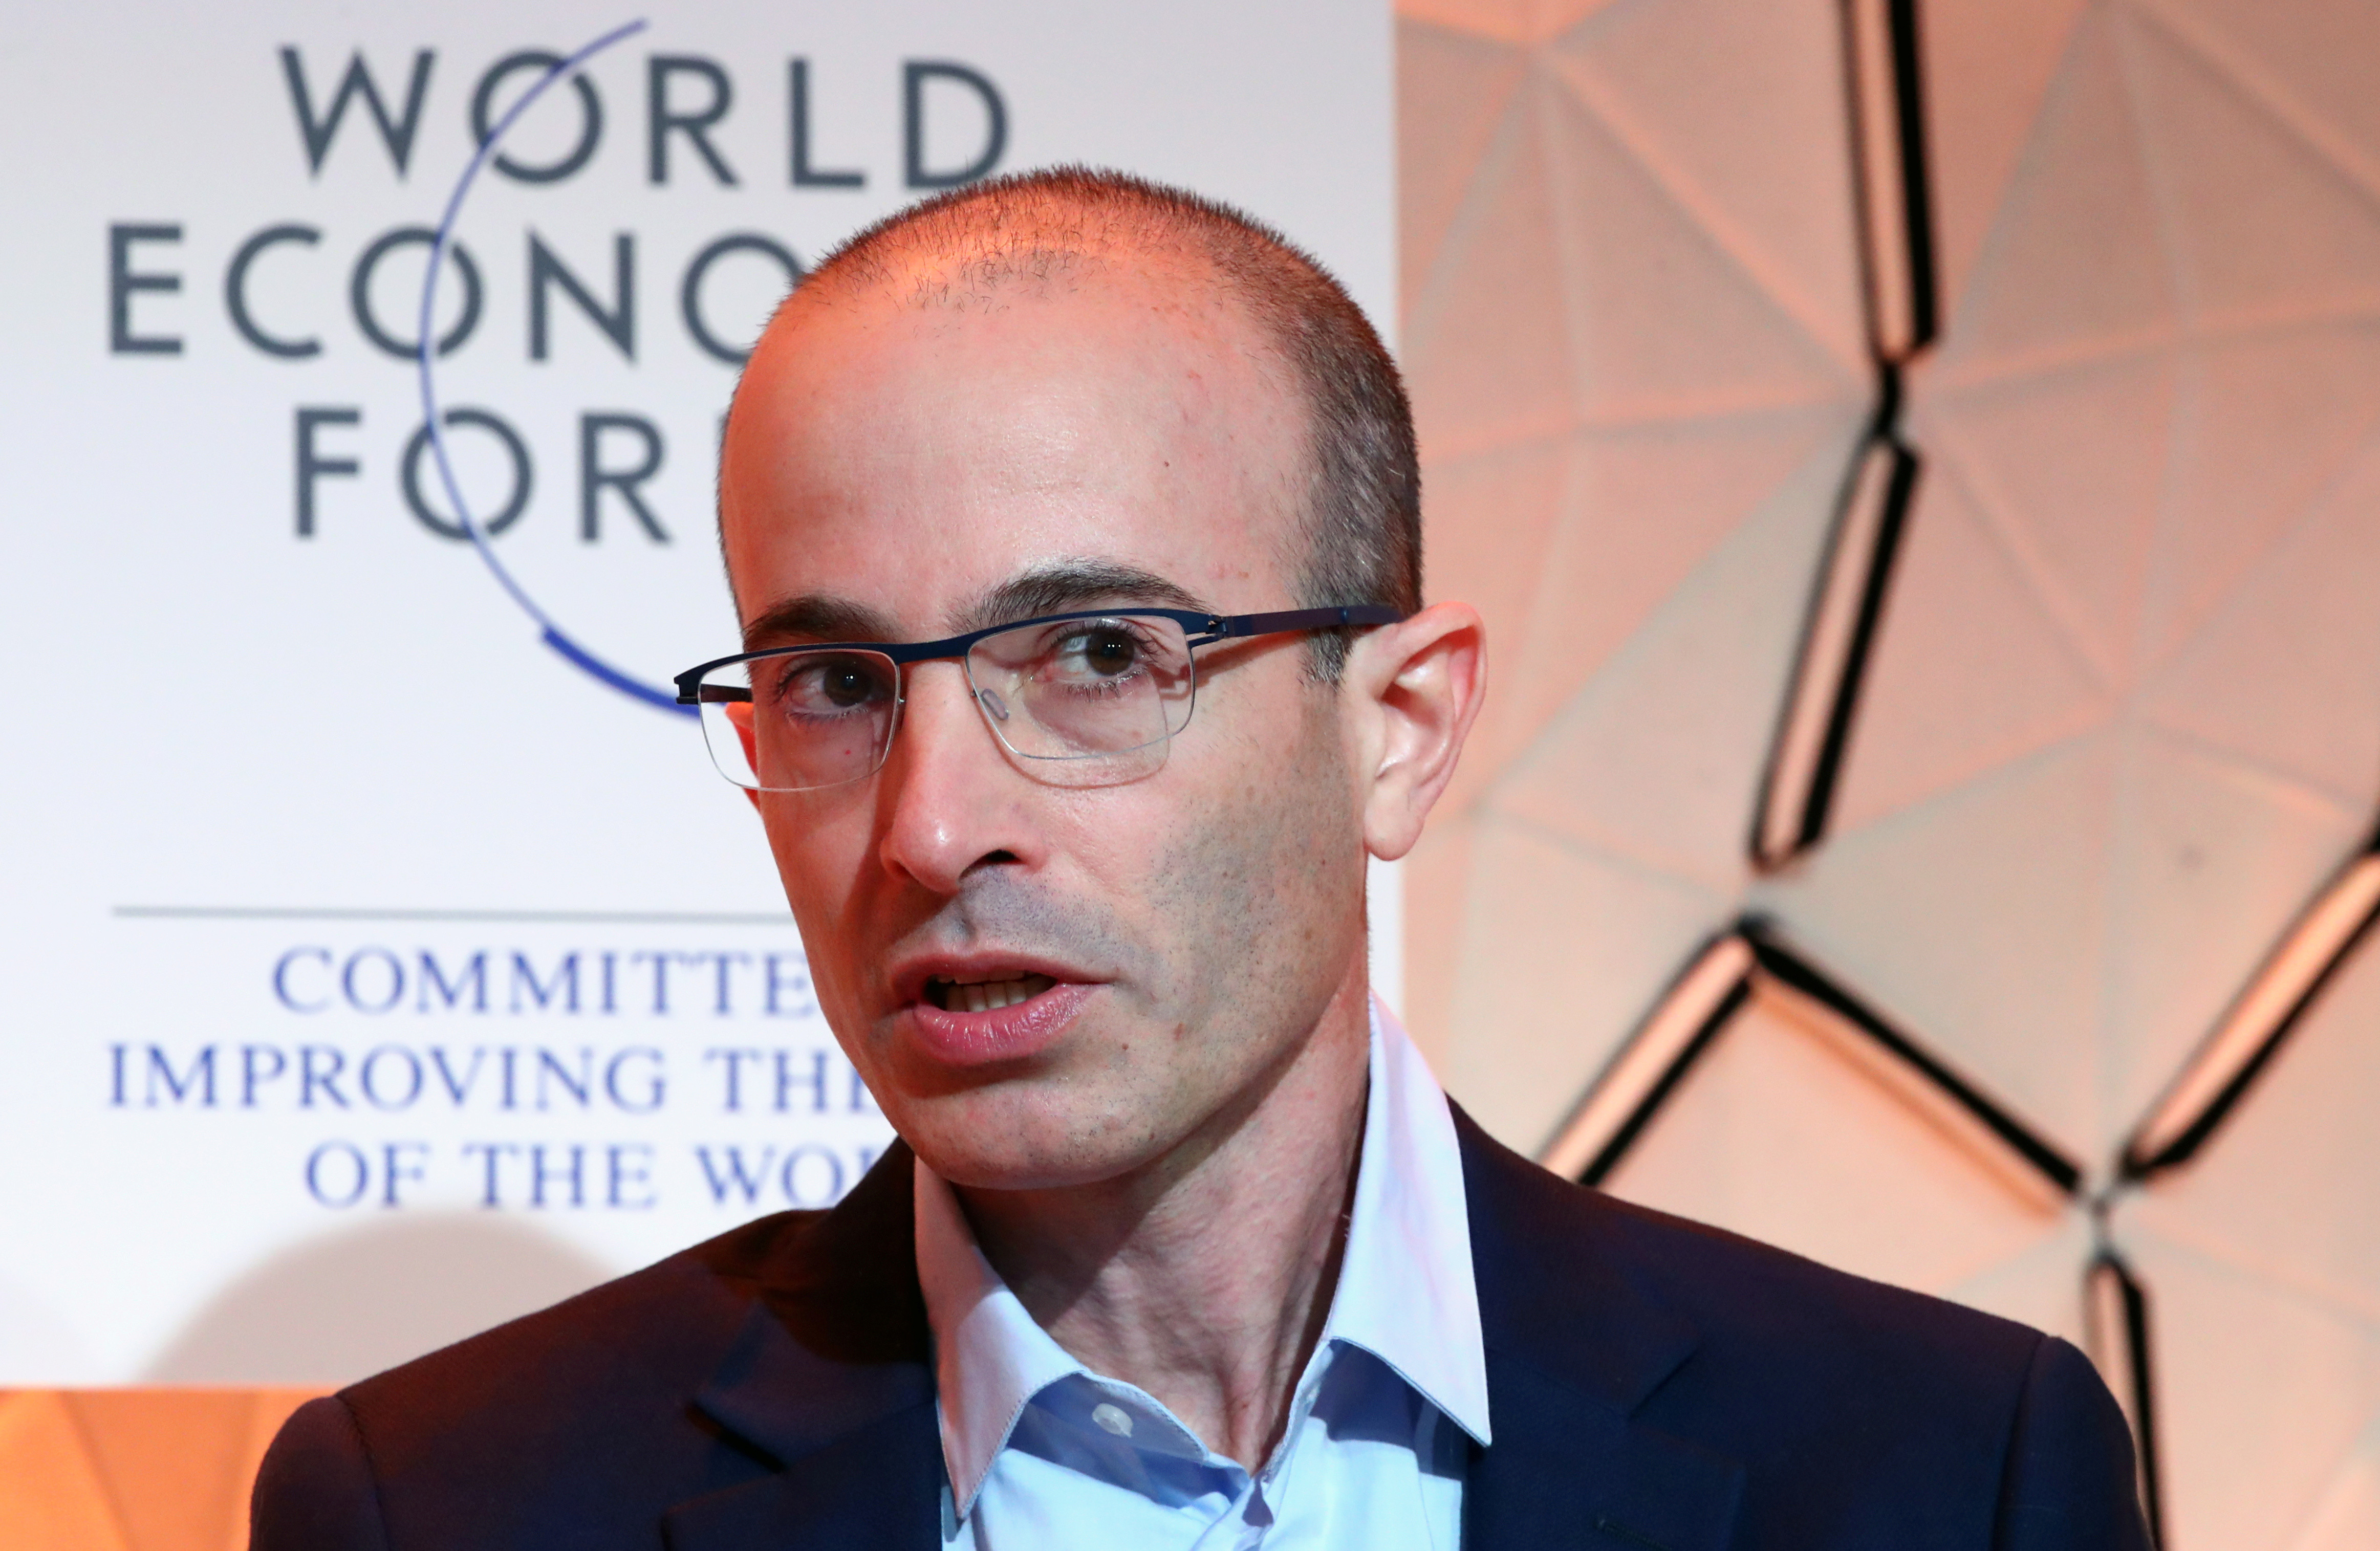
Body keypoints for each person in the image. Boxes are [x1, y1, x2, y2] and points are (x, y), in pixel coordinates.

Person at [250, 167, 2150, 1551]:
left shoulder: (1940, 1473)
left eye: (1096, 658)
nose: (925, 829)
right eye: (833, 682)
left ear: (1392, 729)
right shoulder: (448, 1507)